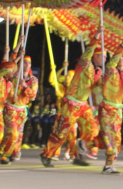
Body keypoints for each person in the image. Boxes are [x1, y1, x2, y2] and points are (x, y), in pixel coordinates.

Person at [40, 25, 103, 168]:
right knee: (62, 132)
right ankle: (46, 154)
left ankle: (79, 152)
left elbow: (100, 86)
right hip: (71, 104)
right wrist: (97, 34)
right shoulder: (84, 64)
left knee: (92, 128)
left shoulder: (99, 72)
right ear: (96, 56)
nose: (105, 59)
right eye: (103, 56)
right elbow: (88, 51)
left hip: (83, 105)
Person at [98, 29, 123, 175]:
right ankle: (108, 162)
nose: (121, 58)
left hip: (118, 111)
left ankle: (109, 165)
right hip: (106, 108)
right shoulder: (109, 70)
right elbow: (114, 58)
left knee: (116, 139)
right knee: (108, 137)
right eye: (119, 56)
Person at [0, 55, 38, 164]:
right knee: (12, 133)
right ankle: (2, 153)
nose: (26, 65)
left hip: (22, 111)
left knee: (17, 135)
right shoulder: (14, 76)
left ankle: (4, 153)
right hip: (10, 109)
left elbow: (33, 96)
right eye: (24, 63)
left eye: (28, 63)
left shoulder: (33, 80)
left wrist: (24, 86)